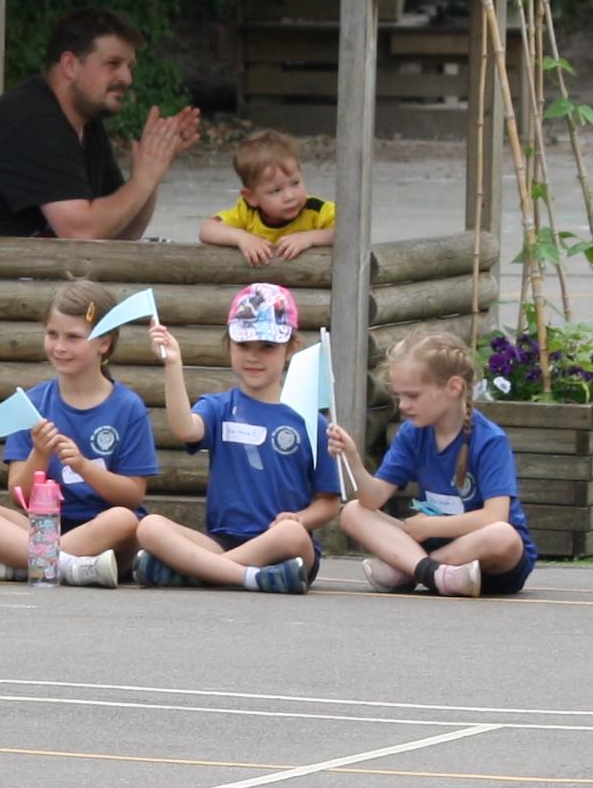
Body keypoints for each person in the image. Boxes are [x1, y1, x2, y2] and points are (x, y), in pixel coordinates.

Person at [0, 8, 204, 242]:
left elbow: (123, 232)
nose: (127, 78)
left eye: (129, 67)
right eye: (113, 64)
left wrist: (152, 170)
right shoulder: (34, 121)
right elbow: (81, 233)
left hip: (1, 280)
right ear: (70, 65)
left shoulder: (85, 124)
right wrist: (142, 180)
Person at [0, 279, 155, 585]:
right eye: (52, 334)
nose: (59, 347)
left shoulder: (127, 406)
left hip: (102, 532)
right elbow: (19, 495)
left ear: (104, 343)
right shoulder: (31, 404)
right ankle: (66, 566)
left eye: (73, 337)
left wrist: (83, 466)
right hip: (40, 527)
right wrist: (40, 454)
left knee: (123, 521)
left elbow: (132, 496)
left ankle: (17, 566)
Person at [132, 284, 334, 592]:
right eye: (243, 344)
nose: (253, 356)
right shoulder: (218, 407)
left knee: (292, 534)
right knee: (149, 526)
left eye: (267, 346)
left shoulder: (311, 420)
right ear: (229, 345)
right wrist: (173, 364)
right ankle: (246, 576)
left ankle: (199, 571)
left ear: (291, 347)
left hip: (281, 546)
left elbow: (330, 504)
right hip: (220, 541)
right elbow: (185, 428)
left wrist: (299, 519)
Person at [329, 328, 533, 596]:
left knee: (502, 535)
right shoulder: (412, 433)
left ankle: (411, 569)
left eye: (413, 396)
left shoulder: (489, 440)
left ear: (454, 388)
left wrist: (431, 526)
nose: (403, 405)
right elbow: (372, 500)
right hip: (430, 542)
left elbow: (494, 516)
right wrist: (354, 460)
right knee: (353, 512)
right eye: (399, 396)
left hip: (486, 559)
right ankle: (435, 574)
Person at [197, 133, 336, 265]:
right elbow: (207, 230)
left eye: (295, 183)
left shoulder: (316, 209)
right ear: (251, 197)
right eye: (276, 191)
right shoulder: (247, 212)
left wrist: (310, 238)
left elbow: (346, 231)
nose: (290, 196)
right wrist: (243, 238)